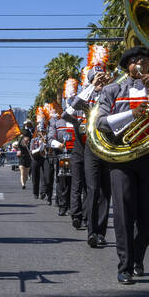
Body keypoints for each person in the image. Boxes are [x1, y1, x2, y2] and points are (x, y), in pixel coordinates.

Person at [96, 47, 149, 285]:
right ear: (127, 66)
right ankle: (124, 265)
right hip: (121, 157)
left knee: (148, 211)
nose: (141, 64)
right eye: (135, 61)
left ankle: (138, 257)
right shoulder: (112, 90)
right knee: (123, 212)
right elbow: (101, 122)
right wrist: (131, 115)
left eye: (145, 61)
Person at [72, 45, 114, 248]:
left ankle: (101, 232)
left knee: (106, 190)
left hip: (110, 145)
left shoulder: (111, 93)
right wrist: (92, 86)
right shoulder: (85, 97)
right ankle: (91, 231)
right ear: (89, 81)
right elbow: (70, 109)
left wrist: (110, 84)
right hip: (91, 147)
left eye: (103, 78)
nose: (101, 82)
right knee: (92, 188)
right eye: (97, 79)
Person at [59, 78, 89, 229]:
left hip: (92, 150)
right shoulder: (78, 104)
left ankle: (86, 216)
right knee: (76, 184)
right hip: (77, 150)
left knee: (89, 186)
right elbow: (66, 114)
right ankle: (76, 215)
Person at [47, 87, 80, 218]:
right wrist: (59, 145)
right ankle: (63, 205)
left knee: (77, 182)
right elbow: (50, 139)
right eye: (68, 101)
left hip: (78, 153)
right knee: (63, 181)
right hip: (63, 154)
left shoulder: (79, 120)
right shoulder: (57, 122)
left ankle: (76, 207)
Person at [16, 124, 32, 189]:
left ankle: (24, 183)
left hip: (28, 159)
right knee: (22, 173)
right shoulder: (21, 142)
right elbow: (18, 145)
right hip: (22, 158)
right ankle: (23, 184)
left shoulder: (31, 142)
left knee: (26, 174)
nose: (25, 138)